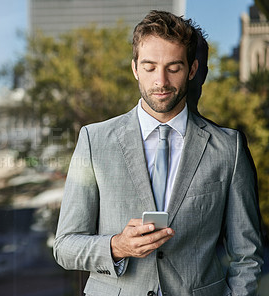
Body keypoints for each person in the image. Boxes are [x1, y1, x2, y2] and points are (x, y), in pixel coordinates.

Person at [53, 10, 263, 296]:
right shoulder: (94, 140)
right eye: (150, 67)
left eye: (173, 68)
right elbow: (65, 246)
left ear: (191, 69)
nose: (160, 81)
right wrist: (117, 246)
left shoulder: (229, 148)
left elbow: (247, 256)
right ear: (135, 68)